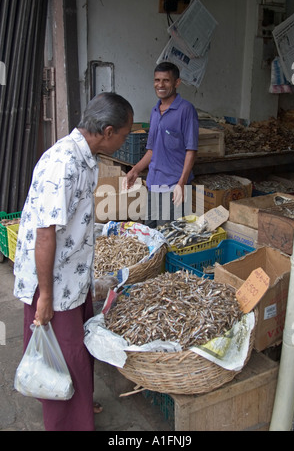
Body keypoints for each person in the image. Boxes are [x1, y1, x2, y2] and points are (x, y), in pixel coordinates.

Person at [13, 92, 134, 431]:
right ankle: (67, 422)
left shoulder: (87, 157)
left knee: (77, 347)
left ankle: (78, 399)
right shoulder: (63, 163)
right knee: (64, 351)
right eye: (124, 134)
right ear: (108, 131)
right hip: (52, 280)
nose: (125, 141)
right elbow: (45, 235)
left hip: (72, 275)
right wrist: (46, 298)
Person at [125, 62, 199, 227]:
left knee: (169, 236)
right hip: (154, 183)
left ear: (176, 83)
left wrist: (181, 183)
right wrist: (135, 170)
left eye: (166, 80)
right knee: (151, 232)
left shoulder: (186, 110)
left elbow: (191, 150)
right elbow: (152, 150)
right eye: (157, 80)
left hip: (174, 186)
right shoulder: (155, 111)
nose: (160, 85)